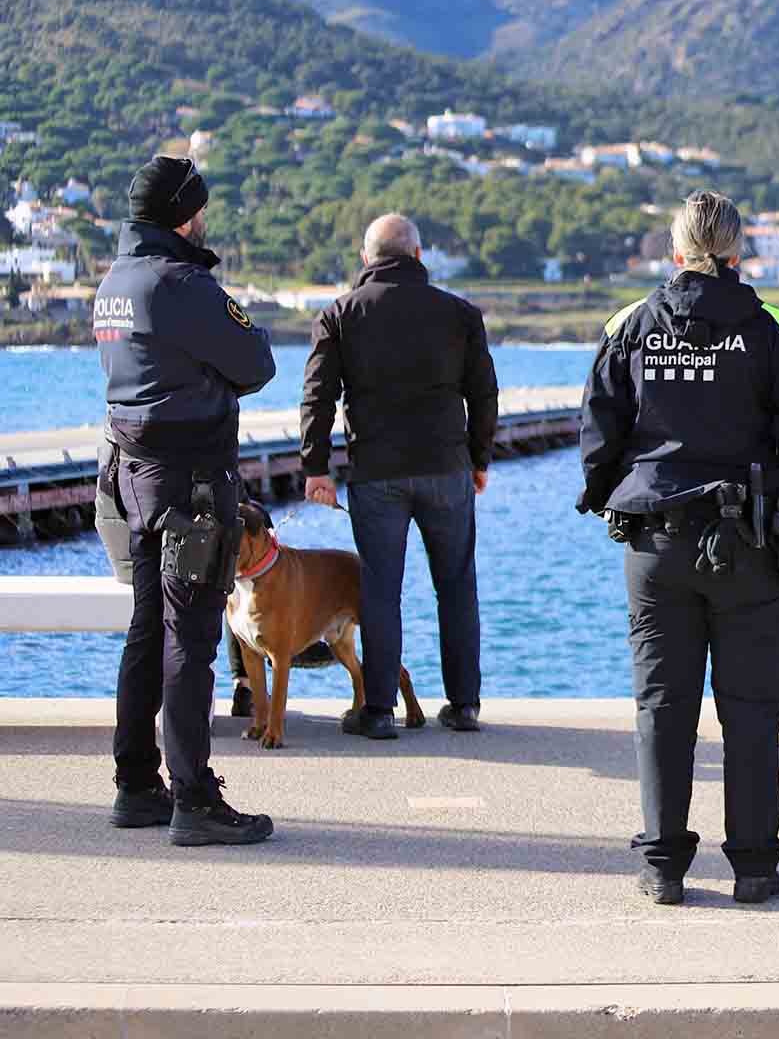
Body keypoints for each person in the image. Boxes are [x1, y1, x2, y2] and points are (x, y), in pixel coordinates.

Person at [578, 191, 779, 906]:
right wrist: (775, 474)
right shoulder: (771, 327)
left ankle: (662, 867)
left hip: (655, 542)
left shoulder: (630, 325)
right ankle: (754, 866)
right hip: (747, 538)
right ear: (738, 251)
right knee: (752, 707)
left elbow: (598, 431)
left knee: (662, 705)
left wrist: (608, 492)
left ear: (675, 251)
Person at [93, 155, 276, 845]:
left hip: (134, 480)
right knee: (192, 637)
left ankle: (136, 783)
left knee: (147, 629)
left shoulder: (115, 280)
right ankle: (194, 799)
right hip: (191, 484)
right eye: (199, 207)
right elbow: (256, 361)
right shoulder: (180, 282)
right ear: (183, 212)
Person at [301, 214, 499, 740]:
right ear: (418, 255)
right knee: (456, 586)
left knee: (381, 592)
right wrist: (479, 459)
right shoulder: (459, 313)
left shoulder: (340, 314)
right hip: (446, 468)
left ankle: (380, 710)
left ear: (366, 259)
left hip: (377, 471)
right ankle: (464, 705)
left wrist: (315, 467)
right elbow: (483, 394)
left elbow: (318, 396)